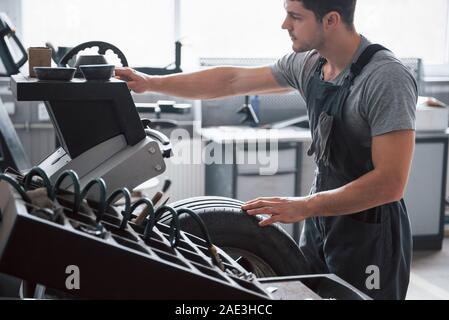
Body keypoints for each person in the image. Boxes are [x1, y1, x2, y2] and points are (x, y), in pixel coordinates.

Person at [115, 0, 417, 300]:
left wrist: (305, 205)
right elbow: (232, 80)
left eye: (295, 17)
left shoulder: (386, 78)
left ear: (331, 20)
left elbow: (390, 183)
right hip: (320, 224)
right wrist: (150, 82)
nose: (285, 25)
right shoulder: (311, 64)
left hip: (371, 232)